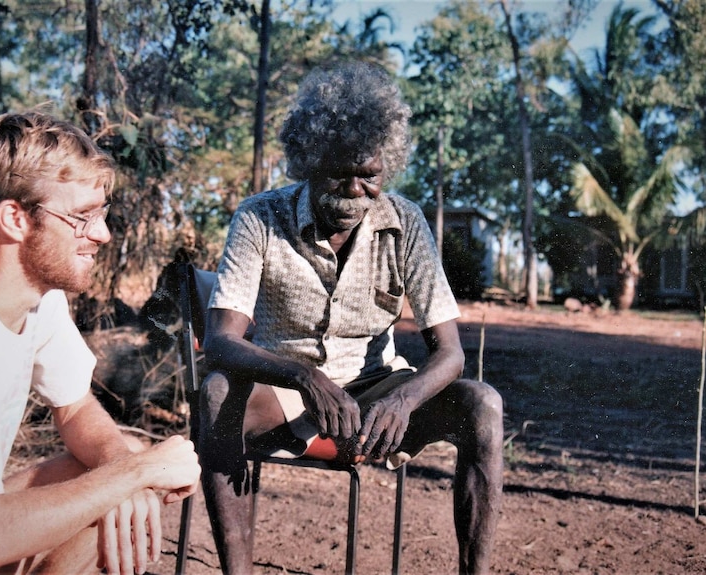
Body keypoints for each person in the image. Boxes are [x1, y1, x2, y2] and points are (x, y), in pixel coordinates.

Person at [198, 61, 503, 574]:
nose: (355, 191)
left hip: (379, 396)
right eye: (341, 173)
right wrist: (303, 376)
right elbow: (221, 340)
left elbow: (450, 352)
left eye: (370, 176)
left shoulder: (405, 222)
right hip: (284, 392)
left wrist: (405, 397)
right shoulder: (259, 217)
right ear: (309, 161)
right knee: (216, 393)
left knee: (482, 404)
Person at [0, 111, 201, 575]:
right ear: (14, 219)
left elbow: (76, 407)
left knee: (120, 456)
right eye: (81, 217)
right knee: (129, 470)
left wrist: (125, 471)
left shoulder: (34, 296)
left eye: (100, 213)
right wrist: (133, 476)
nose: (101, 234)